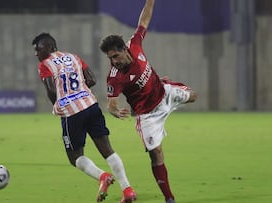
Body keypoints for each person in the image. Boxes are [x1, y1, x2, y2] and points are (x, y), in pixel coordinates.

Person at [99, 0, 197, 203]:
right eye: (110, 58)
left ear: (124, 49)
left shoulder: (135, 44)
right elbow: (111, 103)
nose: (114, 61)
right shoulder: (115, 76)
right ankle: (169, 198)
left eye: (116, 56)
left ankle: (166, 83)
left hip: (165, 93)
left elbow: (144, 19)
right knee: (156, 154)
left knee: (193, 96)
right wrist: (115, 111)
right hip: (148, 115)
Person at [31, 33, 137, 203]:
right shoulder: (74, 57)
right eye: (35, 51)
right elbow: (92, 79)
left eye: (39, 49)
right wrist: (79, 91)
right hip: (91, 106)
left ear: (51, 47)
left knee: (74, 157)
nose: (37, 53)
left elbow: (51, 90)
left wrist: (59, 104)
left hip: (72, 113)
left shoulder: (45, 64)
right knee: (107, 150)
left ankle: (102, 177)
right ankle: (127, 190)